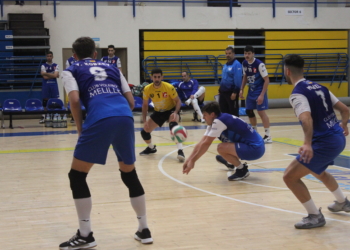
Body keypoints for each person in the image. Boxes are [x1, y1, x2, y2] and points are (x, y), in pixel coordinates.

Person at [60, 37, 152, 249]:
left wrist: (80, 127)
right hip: (124, 116)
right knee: (129, 173)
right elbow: (131, 101)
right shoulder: (111, 66)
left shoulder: (71, 69)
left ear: (74, 55)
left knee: (77, 175)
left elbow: (74, 100)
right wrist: (119, 119)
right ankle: (144, 229)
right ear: (95, 53)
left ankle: (85, 234)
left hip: (100, 117)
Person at [283, 54, 350, 229]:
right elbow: (345, 109)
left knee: (289, 176)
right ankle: (343, 202)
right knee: (317, 170)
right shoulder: (320, 87)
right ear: (302, 69)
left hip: (325, 142)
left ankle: (315, 216)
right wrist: (344, 124)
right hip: (337, 137)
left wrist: (307, 143)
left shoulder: (297, 94)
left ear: (287, 71)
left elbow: (306, 119)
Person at [182, 102, 265, 181]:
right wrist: (189, 160)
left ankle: (242, 170)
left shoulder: (219, 122)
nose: (203, 118)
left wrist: (193, 161)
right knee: (223, 142)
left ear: (212, 114)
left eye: (205, 115)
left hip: (255, 149)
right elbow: (201, 143)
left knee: (221, 148)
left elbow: (206, 144)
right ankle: (231, 162)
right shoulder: (216, 121)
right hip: (254, 145)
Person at [140, 68, 185, 162]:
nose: (157, 79)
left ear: (162, 77)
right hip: (158, 111)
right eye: (155, 77)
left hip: (171, 110)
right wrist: (144, 121)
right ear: (151, 77)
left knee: (174, 127)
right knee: (144, 132)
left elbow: (178, 101)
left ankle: (180, 151)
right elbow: (144, 106)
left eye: (158, 77)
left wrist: (175, 112)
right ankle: (151, 148)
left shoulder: (168, 87)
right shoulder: (147, 89)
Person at [240, 45, 272, 143]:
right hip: (251, 90)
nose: (247, 55)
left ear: (253, 54)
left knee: (261, 112)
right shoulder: (244, 63)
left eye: (249, 53)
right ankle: (255, 133)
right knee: (249, 111)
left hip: (259, 90)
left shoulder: (259, 64)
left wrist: (262, 95)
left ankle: (268, 136)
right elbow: (245, 76)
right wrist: (241, 89)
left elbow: (267, 80)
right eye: (245, 53)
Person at [219, 47, 242, 117]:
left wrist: (235, 92)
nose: (228, 55)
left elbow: (238, 80)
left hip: (231, 92)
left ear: (233, 54)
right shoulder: (225, 65)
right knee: (223, 112)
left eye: (229, 53)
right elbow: (223, 78)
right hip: (223, 92)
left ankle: (235, 127)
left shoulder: (237, 65)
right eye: (226, 53)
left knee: (233, 112)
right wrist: (220, 90)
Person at [40, 51, 59, 123]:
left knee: (54, 100)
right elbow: (45, 77)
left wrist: (46, 73)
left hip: (54, 85)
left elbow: (55, 75)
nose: (49, 57)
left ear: (52, 57)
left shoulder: (56, 65)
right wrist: (53, 75)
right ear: (46, 57)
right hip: (46, 85)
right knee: (45, 99)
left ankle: (54, 115)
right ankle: (44, 115)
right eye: (48, 56)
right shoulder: (43, 65)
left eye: (50, 56)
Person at [66, 55, 77, 123]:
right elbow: (68, 72)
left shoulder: (81, 59)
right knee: (74, 99)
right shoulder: (69, 60)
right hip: (73, 82)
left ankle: (84, 116)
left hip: (80, 81)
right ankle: (73, 117)